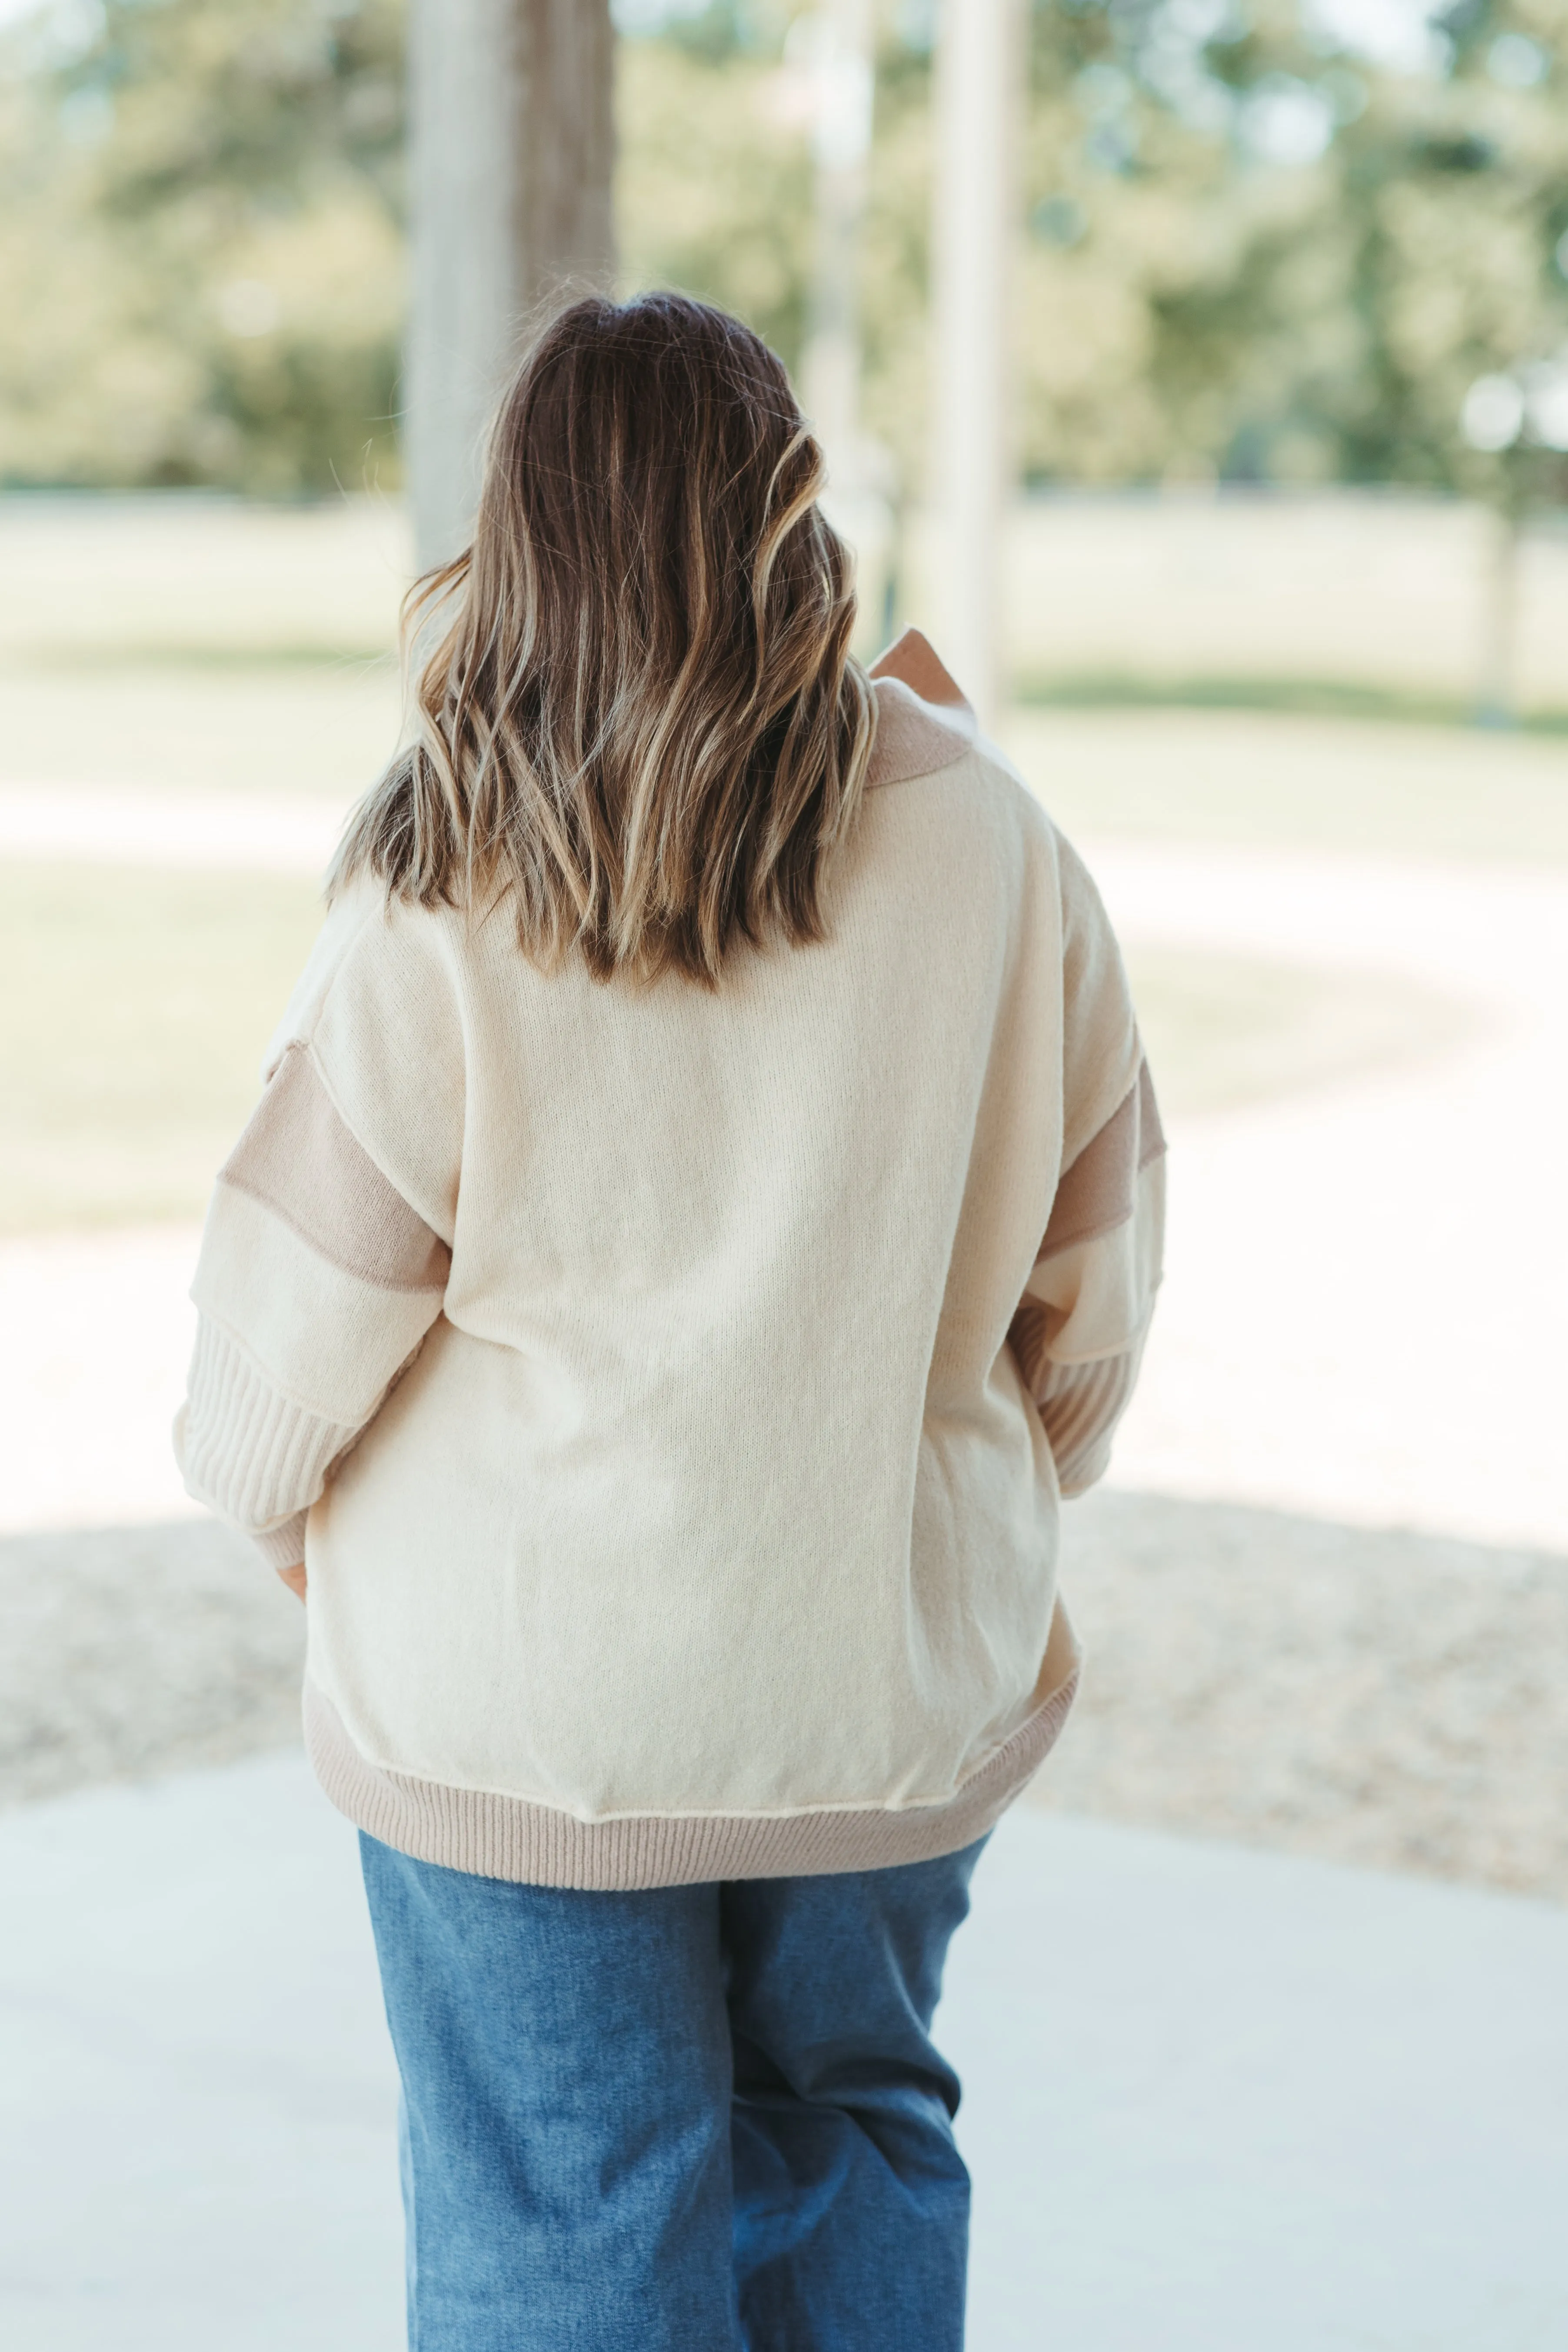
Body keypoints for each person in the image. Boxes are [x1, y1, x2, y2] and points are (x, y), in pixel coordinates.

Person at [174, 292, 1164, 2352]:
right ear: (786, 507)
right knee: (860, 2124)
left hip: (530, 1703)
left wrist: (274, 1507)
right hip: (872, 1679)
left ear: (520, 530)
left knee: (571, 2201)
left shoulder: (445, 858)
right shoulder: (993, 836)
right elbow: (1093, 1286)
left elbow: (283, 1348)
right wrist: (972, 1470)